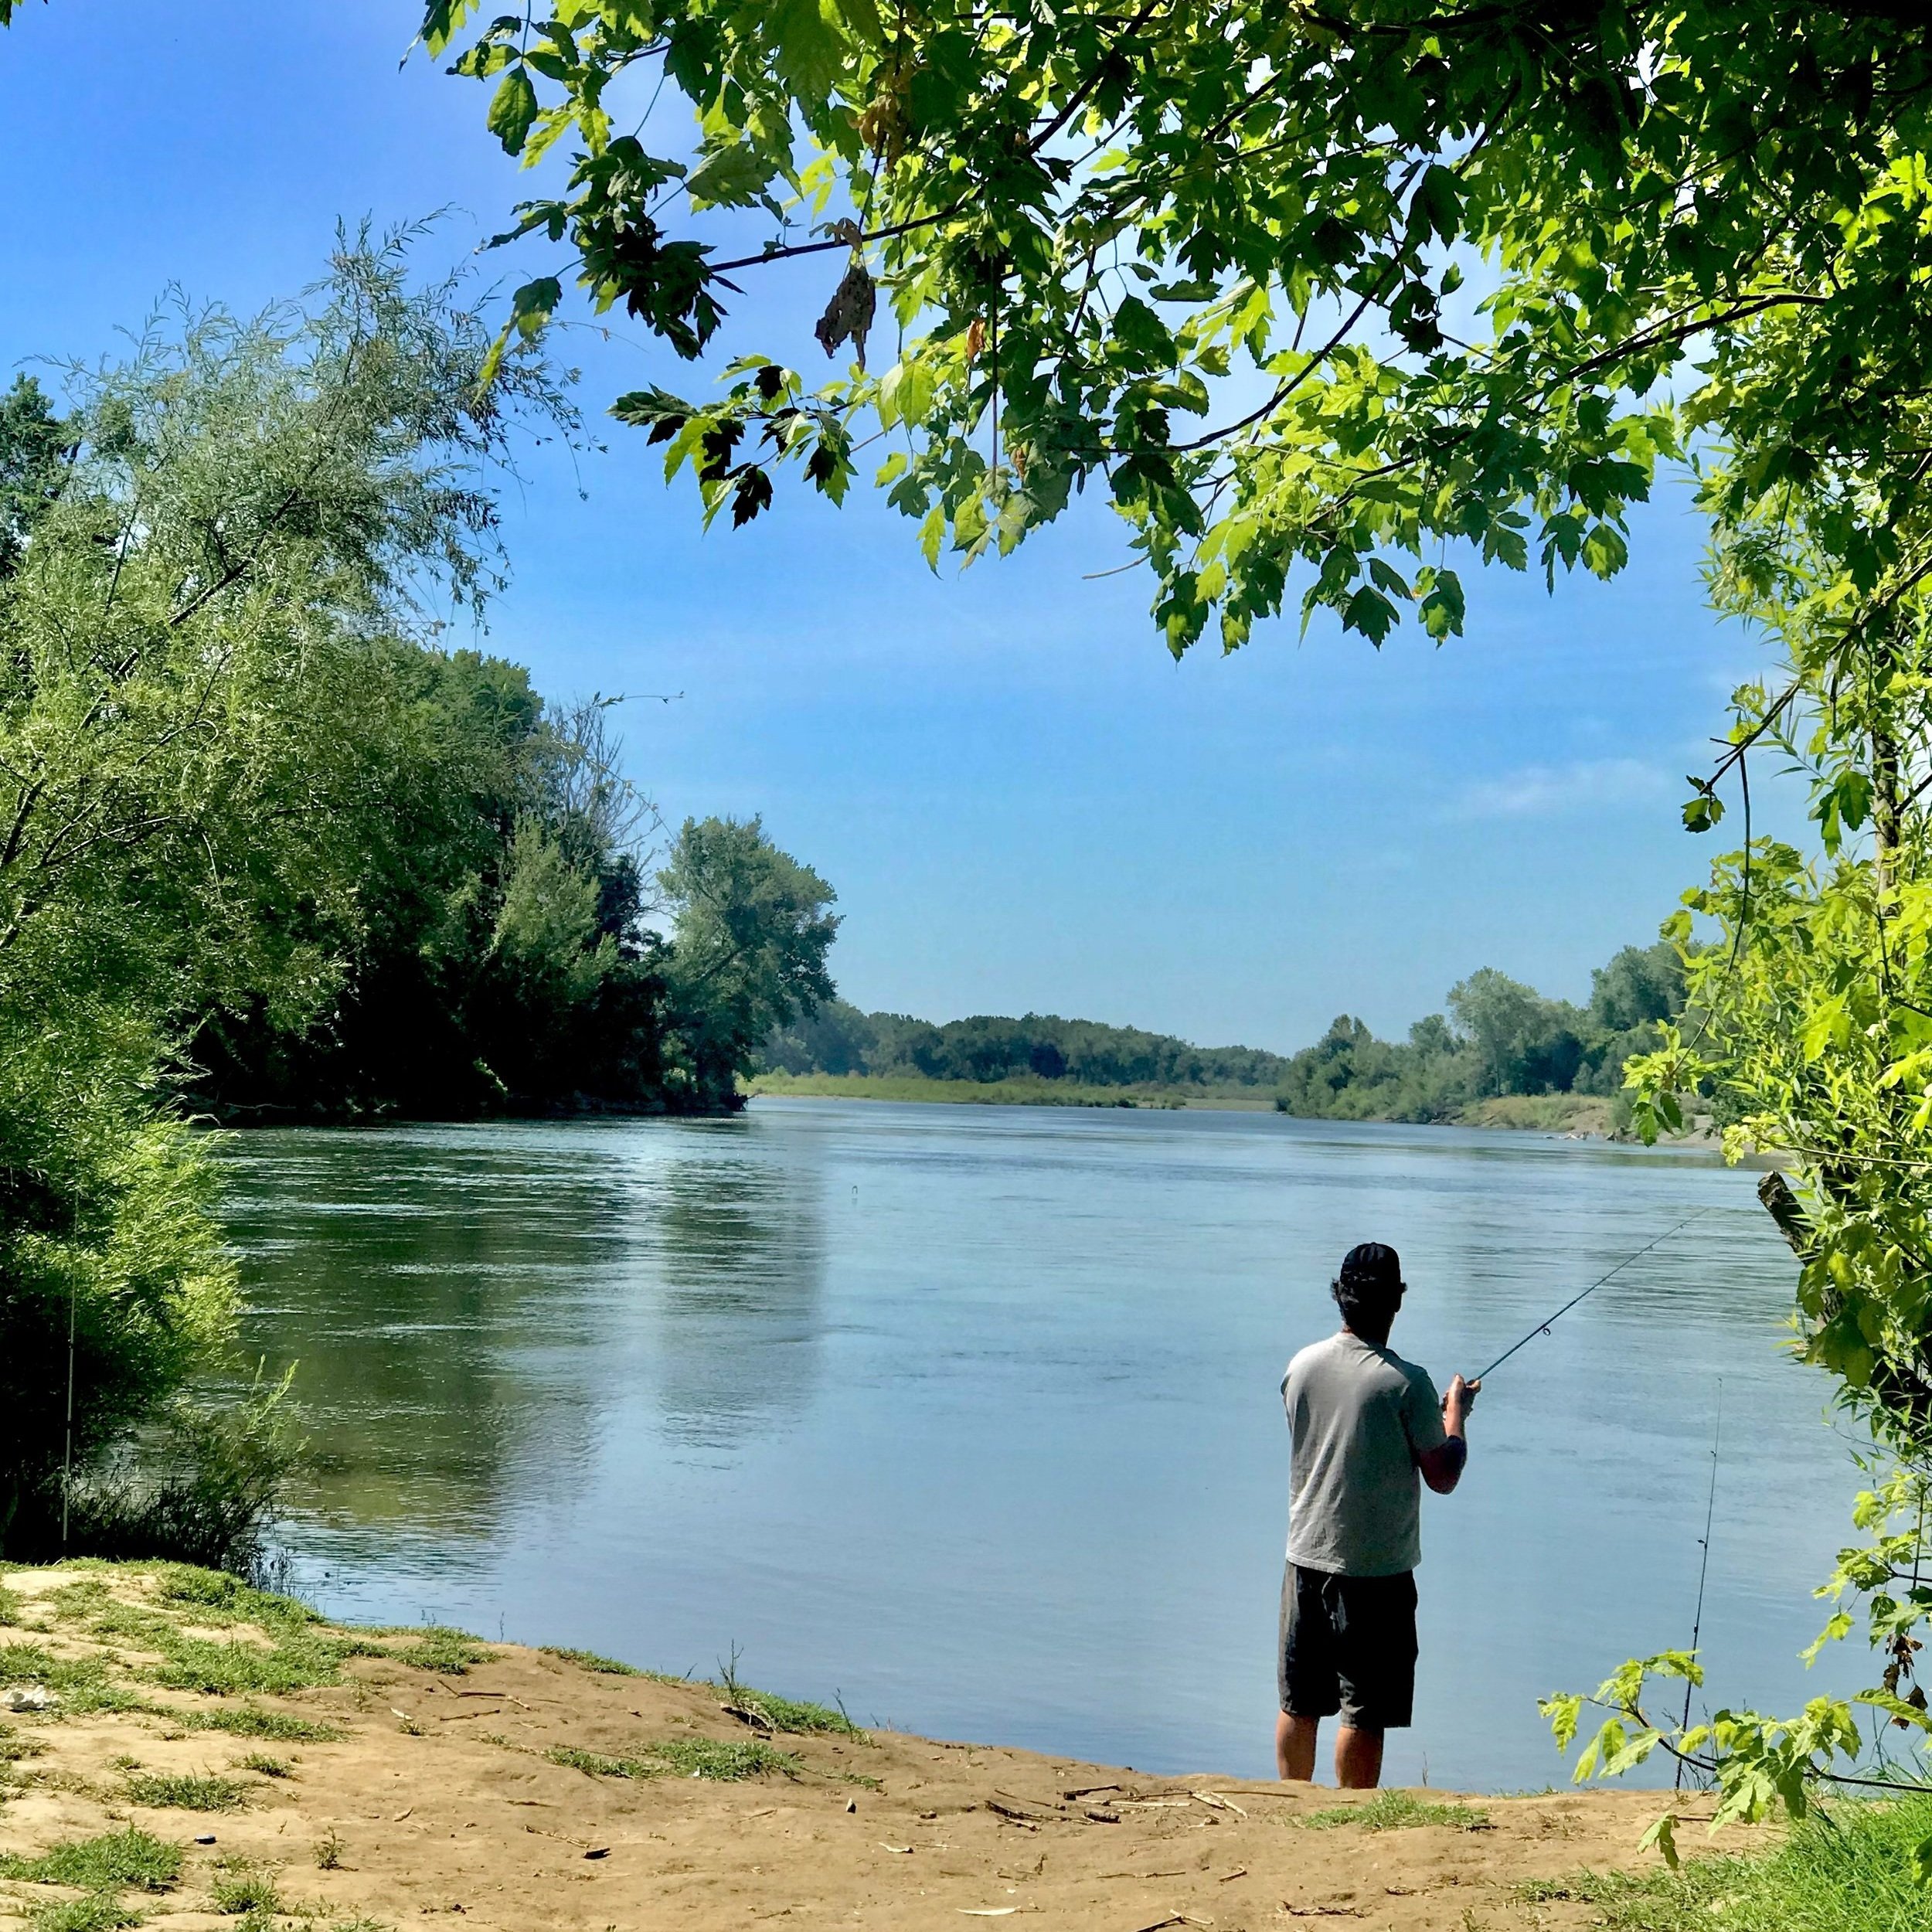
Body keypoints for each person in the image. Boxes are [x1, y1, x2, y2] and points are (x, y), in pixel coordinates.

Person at [1275, 1240, 1478, 1788]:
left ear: (1340, 1298)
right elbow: (1443, 1475)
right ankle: (1350, 1814)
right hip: (1376, 1572)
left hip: (1306, 1557)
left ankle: (1290, 1803)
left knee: (1300, 1702)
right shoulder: (1407, 1383)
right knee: (1363, 1712)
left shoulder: (1301, 1366)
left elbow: (1346, 1430)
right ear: (1397, 1303)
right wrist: (1455, 1418)